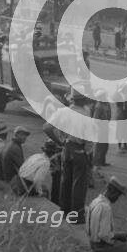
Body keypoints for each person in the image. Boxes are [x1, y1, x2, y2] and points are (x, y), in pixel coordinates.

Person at [45, 87, 94, 223]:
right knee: (79, 184)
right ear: (84, 99)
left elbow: (47, 128)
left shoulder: (62, 112)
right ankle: (77, 215)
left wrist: (59, 141)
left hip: (66, 148)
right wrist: (88, 153)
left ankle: (64, 210)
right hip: (80, 150)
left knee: (65, 180)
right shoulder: (86, 114)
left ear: (72, 98)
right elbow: (90, 139)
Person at [85, 176, 127, 252]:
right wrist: (118, 235)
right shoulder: (105, 207)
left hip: (92, 241)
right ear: (111, 191)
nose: (117, 198)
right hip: (102, 246)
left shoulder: (95, 201)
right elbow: (104, 235)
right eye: (117, 195)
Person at [92, 89, 111, 166]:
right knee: (100, 146)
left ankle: (102, 161)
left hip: (105, 127)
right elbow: (95, 120)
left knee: (105, 146)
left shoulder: (106, 104)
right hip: (101, 129)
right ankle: (97, 162)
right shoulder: (98, 106)